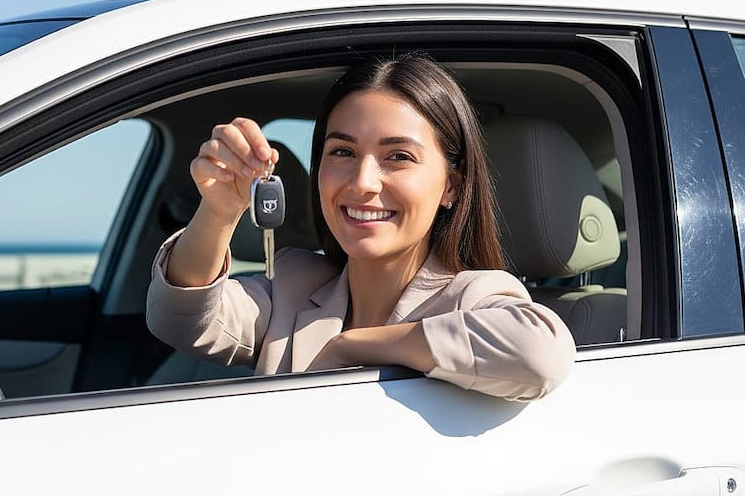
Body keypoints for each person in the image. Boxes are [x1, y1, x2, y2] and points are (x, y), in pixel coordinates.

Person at [146, 54, 576, 401]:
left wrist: (353, 345)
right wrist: (219, 211)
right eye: (342, 152)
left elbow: (538, 355)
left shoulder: (473, 296)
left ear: (451, 186)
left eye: (398, 157)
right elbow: (179, 321)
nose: (362, 183)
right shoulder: (293, 285)